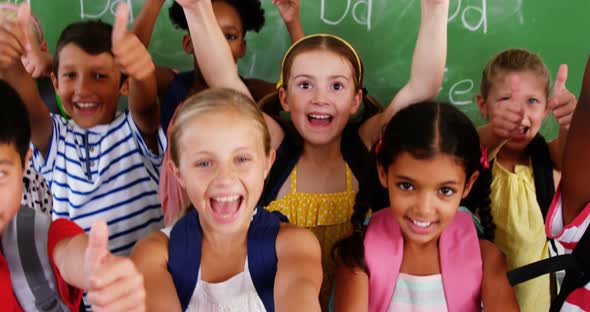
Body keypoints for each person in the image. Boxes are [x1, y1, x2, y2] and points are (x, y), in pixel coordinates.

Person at [176, 0, 448, 307]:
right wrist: (196, 8)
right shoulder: (272, 145)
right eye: (305, 85)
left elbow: (422, 87)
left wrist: (436, 10)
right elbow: (225, 80)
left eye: (336, 87)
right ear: (285, 98)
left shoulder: (366, 145)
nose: (320, 98)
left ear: (356, 99)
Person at [131, 88, 322, 312]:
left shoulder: (294, 245)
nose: (224, 178)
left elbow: (299, 297)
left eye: (241, 159)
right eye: (204, 163)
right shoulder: (155, 254)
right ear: (179, 173)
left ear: (267, 164)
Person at [0, 2, 165, 258]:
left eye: (99, 76)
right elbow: (30, 106)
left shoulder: (135, 131)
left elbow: (145, 106)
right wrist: (9, 61)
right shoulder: (56, 140)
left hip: (147, 286)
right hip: (86, 293)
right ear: (54, 83)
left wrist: (141, 74)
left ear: (123, 85)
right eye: (69, 75)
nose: (83, 88)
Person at [333, 102, 517, 311]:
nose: (424, 209)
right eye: (407, 186)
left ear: (468, 184)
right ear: (383, 173)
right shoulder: (358, 256)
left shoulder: (486, 258)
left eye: (445, 191)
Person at [0, 79, 145, 312]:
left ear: (25, 164)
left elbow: (71, 254)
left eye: (0, 173)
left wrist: (101, 272)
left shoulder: (37, 240)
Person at [477, 49, 577, 310]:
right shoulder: (475, 157)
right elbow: (468, 146)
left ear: (546, 109)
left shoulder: (548, 159)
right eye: (506, 100)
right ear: (482, 105)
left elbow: (574, 156)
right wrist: (497, 131)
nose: (519, 112)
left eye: (532, 101)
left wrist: (570, 125)